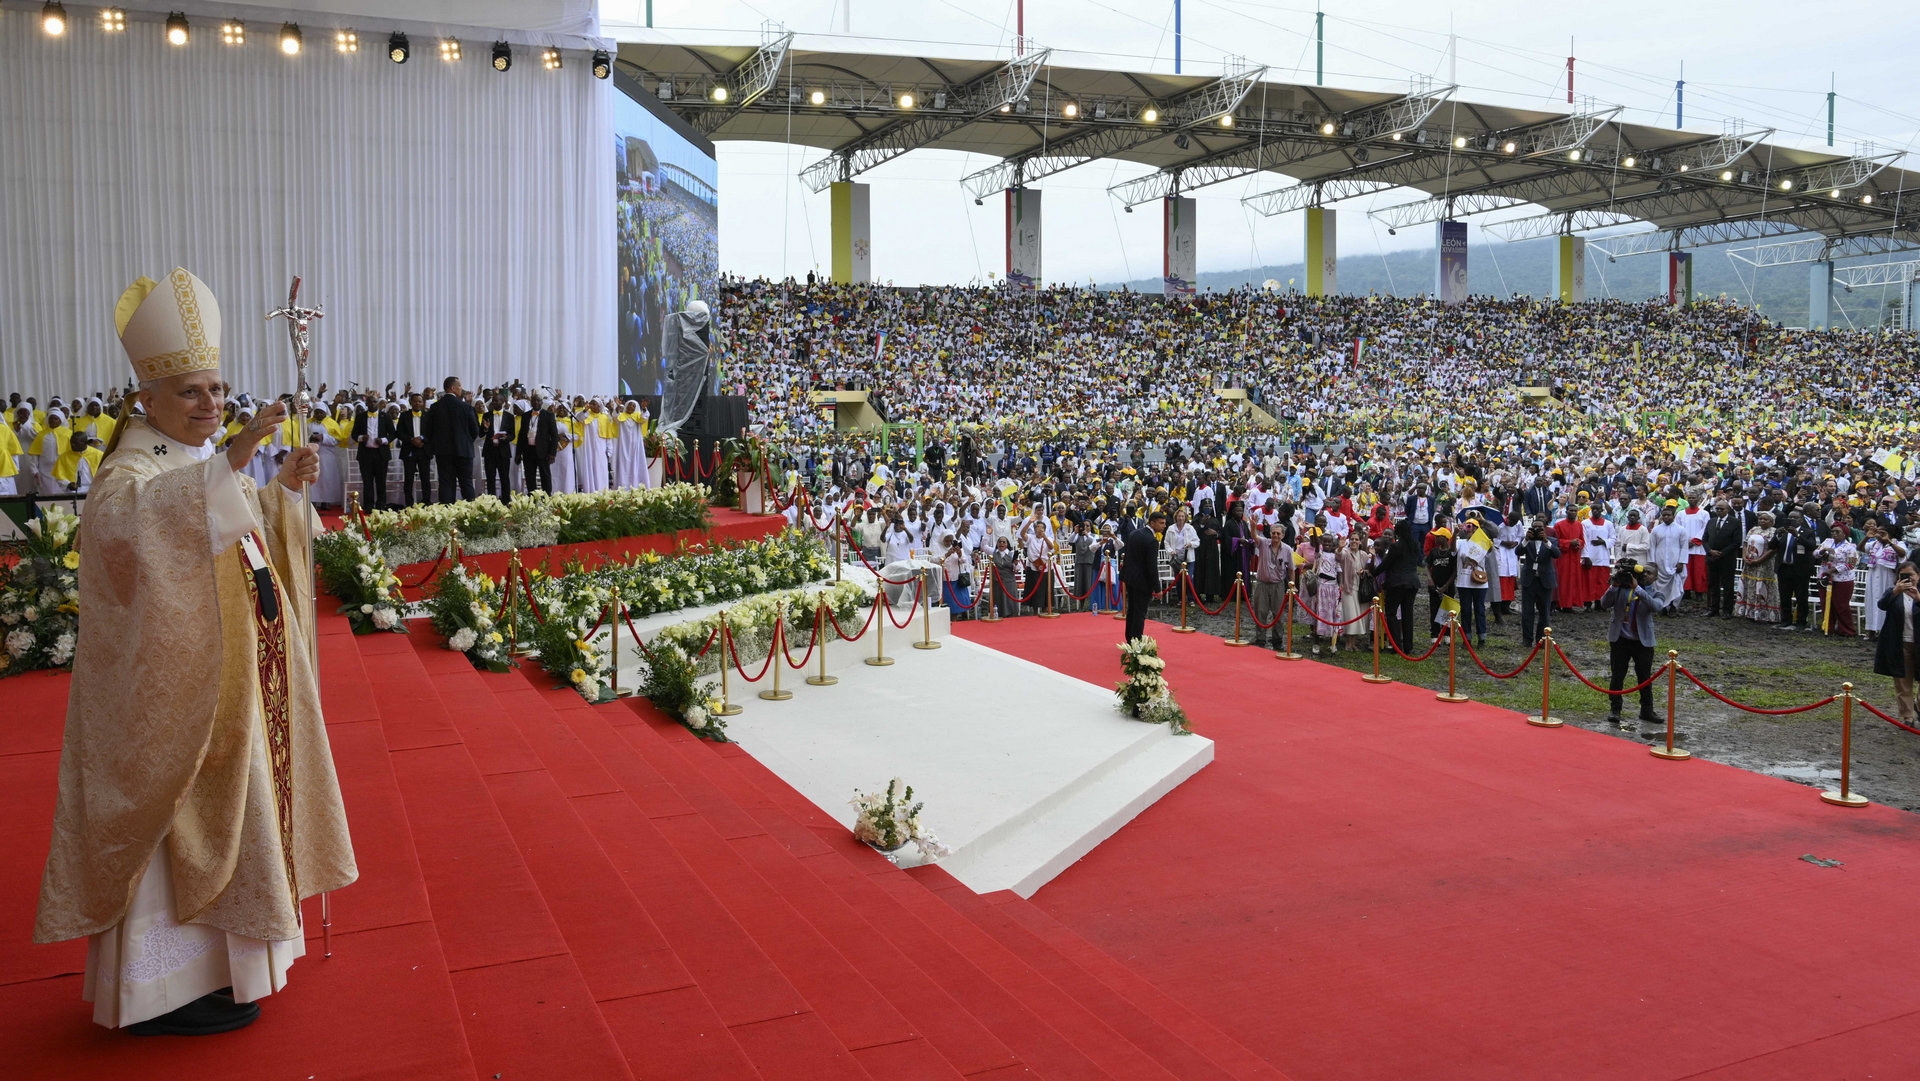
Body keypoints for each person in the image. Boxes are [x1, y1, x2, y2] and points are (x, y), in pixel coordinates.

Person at [34, 268, 356, 1035]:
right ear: (145, 399)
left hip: (238, 684)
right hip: (175, 702)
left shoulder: (192, 461)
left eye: (216, 389)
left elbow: (241, 535)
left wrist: (279, 492)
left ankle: (225, 971)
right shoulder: (129, 473)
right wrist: (233, 460)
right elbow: (133, 536)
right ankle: (159, 989)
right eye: (190, 392)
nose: (210, 404)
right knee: (177, 827)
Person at [1600, 561, 1662, 726]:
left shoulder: (1656, 593)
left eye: (1649, 573)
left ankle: (1647, 710)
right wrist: (1614, 585)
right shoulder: (1621, 588)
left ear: (1655, 577)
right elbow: (1604, 604)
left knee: (1644, 677)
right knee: (1617, 675)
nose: (1645, 575)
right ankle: (1615, 709)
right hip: (1620, 638)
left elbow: (1656, 606)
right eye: (1644, 572)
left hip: (1643, 641)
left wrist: (1637, 588)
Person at [1873, 562, 1920, 724]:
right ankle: (1908, 716)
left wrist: (1918, 599)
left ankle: (1918, 707)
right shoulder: (1892, 593)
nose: (1908, 579)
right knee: (1903, 682)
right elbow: (1882, 605)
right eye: (1903, 576)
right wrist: (1895, 592)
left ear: (1918, 577)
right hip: (1900, 644)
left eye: (1911, 575)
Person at [425, 376, 481, 503]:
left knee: (445, 483)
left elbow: (429, 431)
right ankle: (470, 514)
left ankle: (446, 515)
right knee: (466, 482)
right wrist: (465, 441)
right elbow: (475, 431)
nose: (462, 389)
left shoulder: (435, 407)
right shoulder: (466, 407)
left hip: (443, 451)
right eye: (460, 386)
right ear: (453, 388)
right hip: (464, 450)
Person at [1120, 510, 1164, 642]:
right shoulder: (1152, 541)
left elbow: (1127, 556)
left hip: (1130, 578)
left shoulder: (1134, 533)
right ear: (1152, 523)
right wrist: (1158, 588)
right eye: (1161, 523)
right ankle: (1137, 641)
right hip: (1142, 581)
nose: (1164, 526)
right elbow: (1152, 566)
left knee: (1132, 611)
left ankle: (1130, 639)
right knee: (1139, 613)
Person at [1516, 515, 1560, 645]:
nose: (1537, 529)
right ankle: (1527, 639)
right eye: (1534, 527)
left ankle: (1542, 639)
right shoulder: (1527, 541)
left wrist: (1545, 541)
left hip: (1545, 581)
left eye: (1540, 527)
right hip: (1529, 580)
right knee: (1527, 612)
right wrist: (1526, 539)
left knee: (1544, 612)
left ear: (1545, 528)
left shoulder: (1551, 540)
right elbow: (1518, 552)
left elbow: (1557, 554)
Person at [1249, 522, 1291, 649]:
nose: (1275, 535)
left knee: (1278, 614)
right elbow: (1255, 536)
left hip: (1278, 585)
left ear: (1283, 535)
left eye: (1278, 533)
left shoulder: (1288, 549)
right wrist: (1253, 527)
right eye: (1273, 533)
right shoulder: (1263, 543)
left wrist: (1291, 586)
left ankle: (1277, 641)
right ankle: (1260, 639)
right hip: (1262, 584)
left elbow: (1292, 569)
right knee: (1260, 612)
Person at [1815, 522, 1860, 637]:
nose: (1834, 534)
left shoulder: (1850, 547)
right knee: (1825, 603)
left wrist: (1833, 569)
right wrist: (1822, 551)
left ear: (1844, 534)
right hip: (1825, 577)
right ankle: (1828, 627)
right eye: (1833, 531)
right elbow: (1815, 554)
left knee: (1841, 605)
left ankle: (1846, 630)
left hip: (1843, 579)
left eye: (1837, 532)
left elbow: (1851, 564)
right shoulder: (1827, 542)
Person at [1776, 513, 1819, 630]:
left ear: (1801, 520)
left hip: (1801, 570)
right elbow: (1772, 546)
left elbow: (1812, 546)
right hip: (1784, 568)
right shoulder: (1782, 532)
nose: (1792, 519)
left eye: (1795, 517)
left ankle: (1801, 622)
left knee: (1801, 597)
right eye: (1790, 517)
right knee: (1785, 596)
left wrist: (1798, 535)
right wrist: (1777, 536)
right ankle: (1785, 620)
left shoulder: (1808, 532)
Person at [1702, 499, 1743, 617]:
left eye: (1722, 509)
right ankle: (1713, 608)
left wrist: (1721, 553)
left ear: (1728, 510)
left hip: (1727, 558)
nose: (1719, 511)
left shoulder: (1735, 522)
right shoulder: (1711, 521)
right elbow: (1704, 539)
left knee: (1728, 585)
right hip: (1711, 558)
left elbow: (1736, 542)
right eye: (1717, 509)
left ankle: (1727, 610)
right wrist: (1710, 551)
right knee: (1713, 584)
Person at [1738, 511, 1780, 622]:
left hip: (1765, 565)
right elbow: (1745, 543)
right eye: (1760, 519)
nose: (1762, 521)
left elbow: (1773, 549)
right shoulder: (1753, 530)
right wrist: (1744, 558)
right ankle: (1749, 611)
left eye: (1765, 519)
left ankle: (1765, 613)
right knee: (1751, 585)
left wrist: (1759, 561)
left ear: (1771, 521)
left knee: (1764, 586)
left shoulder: (1774, 532)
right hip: (1750, 563)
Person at [395, 390, 431, 506]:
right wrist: (412, 440)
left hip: (424, 449)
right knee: (409, 479)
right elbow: (399, 433)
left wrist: (422, 439)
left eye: (420, 401)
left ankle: (426, 502)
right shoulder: (404, 416)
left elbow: (432, 432)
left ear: (423, 403)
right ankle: (409, 504)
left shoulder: (428, 415)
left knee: (425, 478)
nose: (417, 404)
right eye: (415, 402)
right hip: (409, 450)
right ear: (410, 403)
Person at [480, 394, 516, 498]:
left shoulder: (509, 416)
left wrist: (506, 438)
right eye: (493, 401)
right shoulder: (486, 415)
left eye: (496, 401)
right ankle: (492, 501)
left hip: (503, 451)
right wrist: (485, 429)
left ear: (503, 402)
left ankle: (505, 500)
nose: (494, 403)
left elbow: (512, 434)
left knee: (504, 477)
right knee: (490, 477)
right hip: (490, 451)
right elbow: (481, 434)